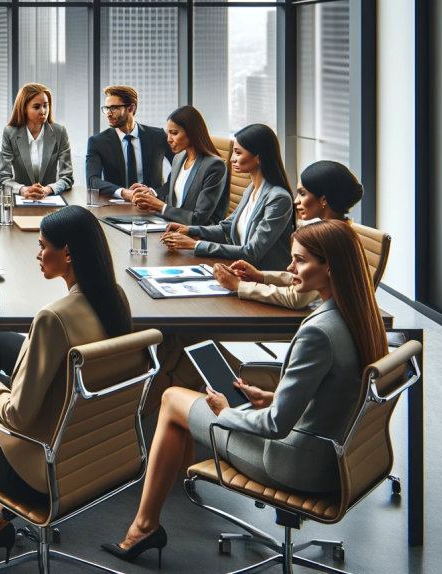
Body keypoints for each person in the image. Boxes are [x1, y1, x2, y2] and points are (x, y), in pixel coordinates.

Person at [105, 220, 388, 566]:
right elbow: (336, 394)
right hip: (335, 458)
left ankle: (144, 527)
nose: (289, 267)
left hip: (294, 464)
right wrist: (271, 398)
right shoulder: (361, 318)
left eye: (299, 261)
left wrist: (225, 412)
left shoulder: (318, 332)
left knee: (171, 399)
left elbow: (275, 427)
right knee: (184, 398)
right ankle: (173, 490)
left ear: (329, 267)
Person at [0, 206, 134, 564]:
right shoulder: (115, 299)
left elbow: (19, 417)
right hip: (93, 455)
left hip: (39, 474)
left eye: (42, 246)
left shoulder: (53, 319)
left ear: (67, 253)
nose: (37, 254)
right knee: (0, 342)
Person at [214, 161, 365, 309]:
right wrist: (261, 276)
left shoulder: (328, 238)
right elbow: (307, 279)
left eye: (302, 194)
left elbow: (295, 298)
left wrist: (239, 286)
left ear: (323, 199)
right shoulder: (340, 230)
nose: (296, 201)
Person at [159, 123, 295, 271]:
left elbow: (252, 252)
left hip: (263, 279)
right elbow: (227, 228)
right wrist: (189, 230)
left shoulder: (279, 199)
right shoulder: (251, 189)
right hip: (238, 270)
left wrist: (195, 245)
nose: (232, 159)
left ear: (258, 157)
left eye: (238, 152)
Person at [132, 105, 229, 226]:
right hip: (169, 226)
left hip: (193, 234)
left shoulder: (214, 165)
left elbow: (198, 219)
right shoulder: (179, 158)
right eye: (168, 133)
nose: (169, 139)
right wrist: (151, 195)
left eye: (174, 133)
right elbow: (171, 194)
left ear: (192, 133)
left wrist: (160, 206)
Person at [86, 85, 172, 202]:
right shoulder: (97, 142)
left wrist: (155, 192)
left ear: (131, 108)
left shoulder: (158, 136)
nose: (108, 113)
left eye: (114, 108)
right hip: (115, 207)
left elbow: (180, 170)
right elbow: (92, 180)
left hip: (153, 205)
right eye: (106, 108)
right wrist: (123, 192)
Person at [0, 83, 74, 199]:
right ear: (24, 109)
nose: (43, 111)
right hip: (22, 199)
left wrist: (47, 190)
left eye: (45, 106)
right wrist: (23, 189)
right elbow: (4, 178)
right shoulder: (10, 133)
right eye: (36, 107)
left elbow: (67, 177)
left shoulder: (60, 132)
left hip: (51, 199)